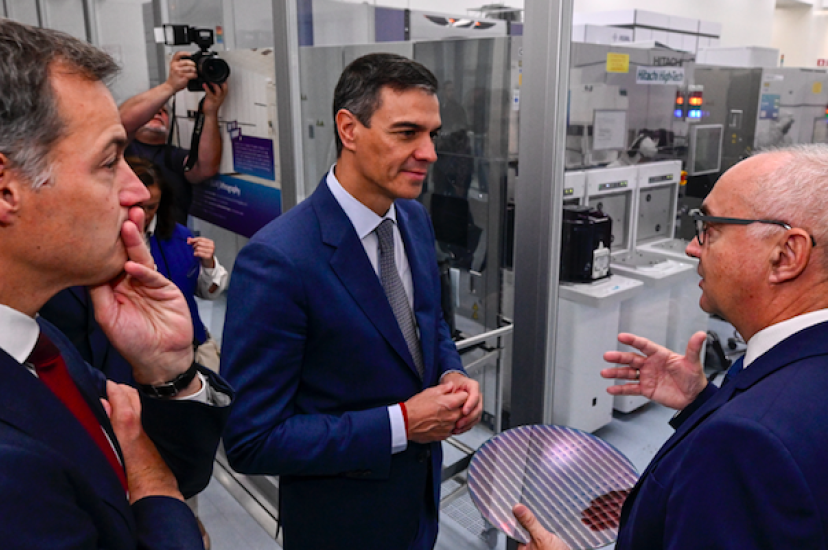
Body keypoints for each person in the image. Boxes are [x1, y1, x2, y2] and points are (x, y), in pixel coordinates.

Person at [221, 52, 482, 550]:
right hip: (341, 525)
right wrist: (402, 424)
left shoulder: (413, 221)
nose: (429, 153)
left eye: (433, 135)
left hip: (417, 507)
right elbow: (252, 440)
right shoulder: (279, 261)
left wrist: (453, 375)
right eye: (407, 133)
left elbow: (432, 326)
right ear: (348, 128)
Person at [512, 144, 828, 549]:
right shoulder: (799, 366)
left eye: (711, 229)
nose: (692, 247)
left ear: (786, 254)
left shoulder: (748, 444)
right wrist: (702, 403)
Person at [0, 19, 233, 548]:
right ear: (6, 189)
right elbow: (157, 487)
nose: (138, 193)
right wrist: (152, 484)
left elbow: (183, 474)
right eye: (110, 162)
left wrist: (166, 373)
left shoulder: (38, 342)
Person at [129, 156, 228, 372]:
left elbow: (208, 292)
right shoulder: (100, 247)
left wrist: (208, 264)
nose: (143, 215)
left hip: (191, 350)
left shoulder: (179, 237)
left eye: (151, 207)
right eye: (135, 206)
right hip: (137, 359)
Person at [119, 51, 228, 224]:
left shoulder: (172, 156)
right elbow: (121, 120)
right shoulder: (120, 150)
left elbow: (205, 169)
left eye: (163, 112)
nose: (158, 113)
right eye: (153, 111)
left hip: (168, 240)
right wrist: (170, 86)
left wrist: (210, 112)